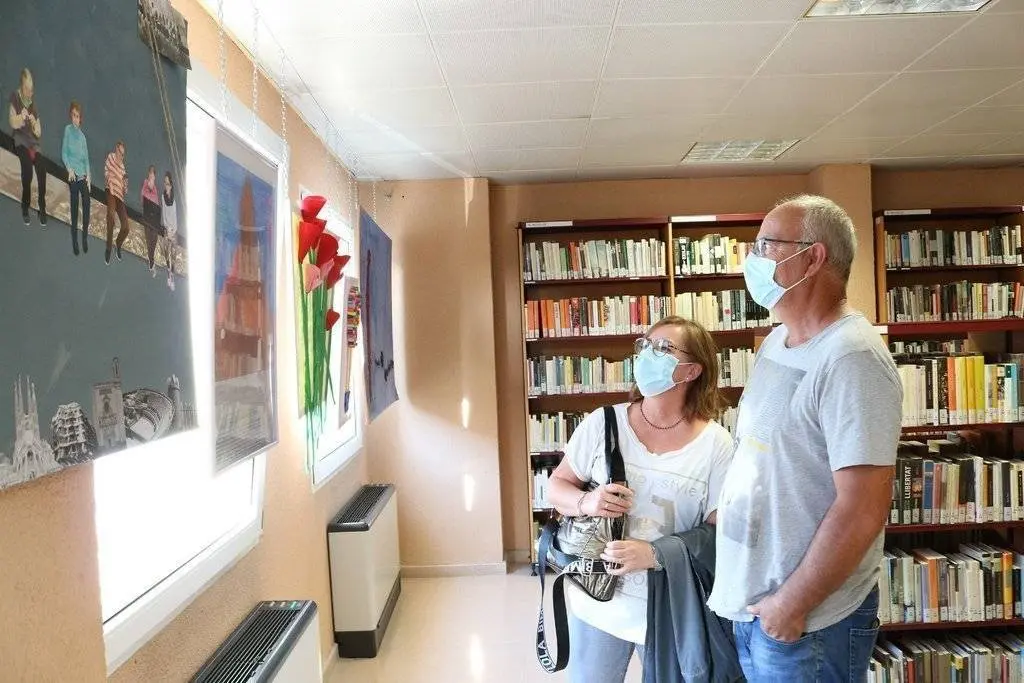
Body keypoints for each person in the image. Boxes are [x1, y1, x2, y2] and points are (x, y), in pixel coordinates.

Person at [707, 195, 902, 682]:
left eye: (765, 245)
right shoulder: (779, 340)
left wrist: (790, 606)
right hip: (758, 605)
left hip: (806, 621)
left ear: (812, 258)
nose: (751, 259)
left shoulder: (851, 359)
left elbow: (862, 508)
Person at [546, 316, 734, 683]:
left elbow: (717, 533)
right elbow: (556, 487)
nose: (648, 354)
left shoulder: (717, 445)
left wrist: (655, 554)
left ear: (692, 370)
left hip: (672, 609)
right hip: (598, 601)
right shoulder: (603, 423)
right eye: (645, 345)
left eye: (663, 348)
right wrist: (588, 502)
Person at [8, 68, 46, 226]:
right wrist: (21, 118)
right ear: (22, 88)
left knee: (42, 173)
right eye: (28, 90)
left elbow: (38, 132)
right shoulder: (15, 99)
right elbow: (12, 121)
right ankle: (25, 206)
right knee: (28, 172)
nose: (31, 93)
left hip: (33, 145)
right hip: (21, 141)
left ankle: (42, 208)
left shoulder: (34, 106)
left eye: (32, 90)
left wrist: (33, 122)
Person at [61, 101, 91, 255]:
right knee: (74, 205)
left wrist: (89, 178)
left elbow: (86, 159)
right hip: (73, 174)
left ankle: (84, 236)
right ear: (71, 116)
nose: (75, 119)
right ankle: (74, 239)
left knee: (87, 203)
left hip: (82, 175)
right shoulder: (67, 130)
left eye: (77, 116)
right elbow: (64, 153)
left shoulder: (83, 138)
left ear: (81, 119)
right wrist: (69, 169)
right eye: (73, 115)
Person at [104, 141, 130, 265]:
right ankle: (108, 247)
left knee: (126, 227)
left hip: (120, 196)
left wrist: (125, 186)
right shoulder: (111, 157)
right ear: (116, 149)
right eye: (120, 152)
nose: (121, 156)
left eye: (123, 154)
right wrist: (111, 185)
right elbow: (106, 172)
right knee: (110, 215)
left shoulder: (123, 167)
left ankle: (118, 244)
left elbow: (124, 189)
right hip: (110, 190)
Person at [141, 165, 160, 273]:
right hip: (147, 216)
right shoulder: (145, 185)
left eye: (153, 175)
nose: (152, 177)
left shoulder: (155, 189)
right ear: (149, 174)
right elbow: (144, 198)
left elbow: (156, 202)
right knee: (149, 238)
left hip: (154, 218)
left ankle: (151, 259)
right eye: (151, 174)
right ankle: (151, 261)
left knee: (154, 238)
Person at [161, 172, 178, 290]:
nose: (166, 185)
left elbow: (175, 215)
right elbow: (164, 213)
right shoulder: (163, 197)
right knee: (166, 250)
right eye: (165, 183)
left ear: (171, 185)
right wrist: (167, 228)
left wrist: (173, 230)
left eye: (167, 183)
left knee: (174, 253)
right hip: (167, 228)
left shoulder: (174, 199)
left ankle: (172, 274)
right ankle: (168, 271)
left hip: (174, 228)